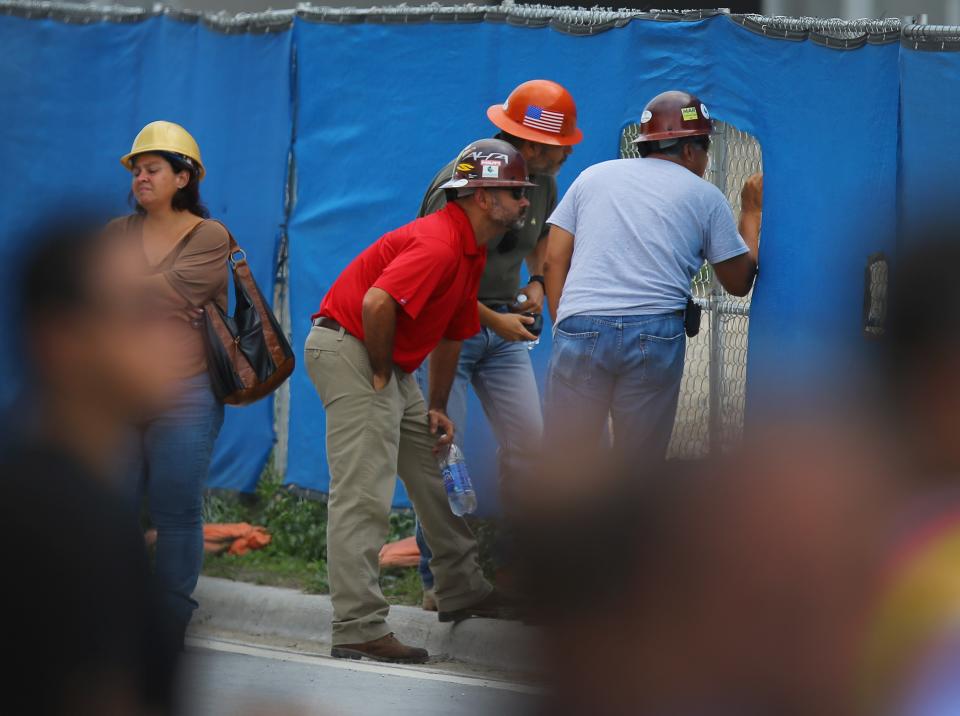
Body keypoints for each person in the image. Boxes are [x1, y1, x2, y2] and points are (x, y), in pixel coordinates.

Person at [304, 139, 534, 664]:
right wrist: (383, 371)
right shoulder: (439, 243)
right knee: (364, 491)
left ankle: (461, 589)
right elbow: (377, 302)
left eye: (524, 192)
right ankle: (357, 625)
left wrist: (435, 406)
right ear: (478, 196)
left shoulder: (470, 250)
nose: (525, 202)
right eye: (514, 192)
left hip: (387, 361)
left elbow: (454, 332)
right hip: (354, 349)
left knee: (434, 476)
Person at [0, 217, 182, 715]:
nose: (173, 338)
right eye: (141, 315)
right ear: (63, 339)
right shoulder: (62, 523)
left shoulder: (75, 490)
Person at [413, 80, 583, 609]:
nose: (569, 151)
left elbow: (536, 249)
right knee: (442, 453)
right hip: (449, 332)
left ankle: (515, 571)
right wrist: (494, 319)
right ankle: (438, 579)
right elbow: (435, 280)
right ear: (531, 145)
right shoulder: (461, 181)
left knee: (531, 449)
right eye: (560, 145)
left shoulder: (544, 184)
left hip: (503, 330)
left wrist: (533, 287)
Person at [542, 90, 763, 461]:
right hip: (653, 331)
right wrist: (751, 212)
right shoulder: (705, 196)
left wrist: (564, 324)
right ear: (691, 151)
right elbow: (739, 282)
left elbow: (553, 259)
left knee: (565, 464)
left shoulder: (591, 177)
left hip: (580, 323)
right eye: (705, 148)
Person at [112, 120, 230, 645]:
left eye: (153, 168)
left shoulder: (210, 235)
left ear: (184, 178)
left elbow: (177, 290)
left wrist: (127, 289)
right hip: (121, 388)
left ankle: (168, 621)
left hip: (187, 391)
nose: (141, 177)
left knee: (176, 507)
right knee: (113, 505)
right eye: (137, 169)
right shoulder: (116, 233)